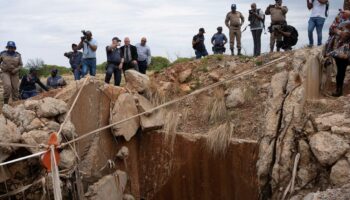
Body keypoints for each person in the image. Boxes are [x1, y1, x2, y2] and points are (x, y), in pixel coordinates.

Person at [327, 21, 350, 97]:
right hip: (338, 53)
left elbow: (345, 36)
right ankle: (338, 90)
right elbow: (330, 30)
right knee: (340, 72)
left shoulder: (346, 28)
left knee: (341, 72)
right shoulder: (340, 23)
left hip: (345, 53)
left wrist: (337, 31)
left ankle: (339, 91)